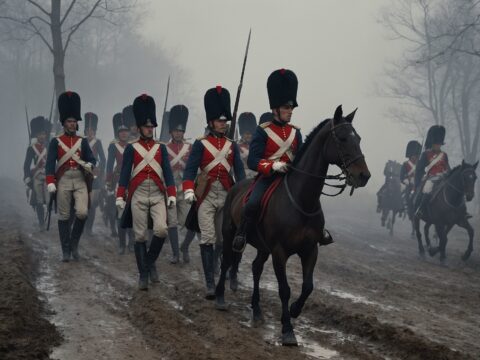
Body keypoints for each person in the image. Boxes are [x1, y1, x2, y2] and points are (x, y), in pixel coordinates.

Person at [183, 86, 245, 299]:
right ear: (211, 122)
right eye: (219, 121)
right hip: (206, 196)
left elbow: (240, 173)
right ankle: (210, 283)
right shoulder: (201, 144)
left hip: (226, 197)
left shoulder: (232, 146)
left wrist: (243, 195)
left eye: (225, 121)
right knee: (207, 238)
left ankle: (217, 270)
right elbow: (190, 170)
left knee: (222, 240)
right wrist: (189, 190)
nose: (223, 123)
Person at [232, 69, 303, 252]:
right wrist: (273, 166)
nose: (290, 111)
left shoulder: (296, 132)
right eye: (286, 108)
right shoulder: (263, 130)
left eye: (291, 107)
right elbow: (253, 161)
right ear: (275, 109)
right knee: (252, 203)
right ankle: (242, 233)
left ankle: (319, 230)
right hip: (268, 178)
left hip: (290, 179)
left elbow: (301, 158)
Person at [116, 94, 176, 290]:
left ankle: (148, 264)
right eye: (147, 126)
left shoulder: (161, 148)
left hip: (158, 194)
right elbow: (125, 173)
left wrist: (172, 193)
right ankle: (144, 275)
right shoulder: (131, 148)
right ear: (140, 127)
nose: (150, 129)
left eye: (152, 126)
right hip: (139, 194)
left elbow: (167, 171)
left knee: (161, 230)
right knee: (140, 236)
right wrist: (120, 195)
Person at [45, 91, 96, 262]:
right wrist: (50, 182)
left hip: (80, 179)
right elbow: (50, 163)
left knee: (82, 213)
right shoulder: (56, 141)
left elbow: (91, 159)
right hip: (64, 180)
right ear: (64, 123)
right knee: (64, 216)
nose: (72, 124)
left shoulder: (83, 141)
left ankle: (74, 243)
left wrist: (89, 165)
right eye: (69, 121)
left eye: (74, 121)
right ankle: (66, 250)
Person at [165, 104, 197, 264]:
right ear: (171, 132)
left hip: (184, 189)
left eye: (181, 131)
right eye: (176, 131)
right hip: (169, 189)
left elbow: (193, 168)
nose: (178, 133)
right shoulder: (164, 148)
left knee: (189, 223)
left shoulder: (189, 148)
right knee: (171, 222)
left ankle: (184, 247)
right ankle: (176, 253)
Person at [105, 112, 134, 254]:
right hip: (119, 182)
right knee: (121, 213)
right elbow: (109, 166)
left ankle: (132, 243)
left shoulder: (134, 145)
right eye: (121, 131)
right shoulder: (113, 146)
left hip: (133, 181)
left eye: (126, 131)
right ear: (118, 133)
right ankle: (122, 244)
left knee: (133, 211)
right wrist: (108, 184)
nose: (123, 134)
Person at [415, 125, 450, 216]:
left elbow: (447, 167)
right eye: (436, 144)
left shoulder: (444, 155)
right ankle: (421, 210)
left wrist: (447, 173)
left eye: (439, 144)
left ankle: (460, 211)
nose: (437, 146)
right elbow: (419, 169)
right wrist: (421, 179)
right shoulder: (426, 154)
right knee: (427, 188)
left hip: (443, 178)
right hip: (431, 177)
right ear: (432, 144)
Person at [23, 116, 50, 230]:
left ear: (46, 134)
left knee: (49, 200)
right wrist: (27, 177)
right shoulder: (31, 149)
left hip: (48, 176)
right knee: (39, 200)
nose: (41, 136)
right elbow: (26, 165)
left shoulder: (49, 147)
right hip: (37, 176)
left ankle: (47, 219)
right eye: (39, 134)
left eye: (43, 134)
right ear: (36, 135)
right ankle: (41, 223)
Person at [83, 112, 106, 236]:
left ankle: (89, 229)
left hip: (94, 177)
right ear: (85, 131)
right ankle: (81, 226)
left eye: (92, 130)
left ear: (95, 131)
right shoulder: (81, 142)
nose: (90, 132)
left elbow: (103, 159)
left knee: (92, 205)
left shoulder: (98, 143)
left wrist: (99, 170)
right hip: (82, 175)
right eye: (88, 130)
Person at [237, 112, 257, 179]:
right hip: (243, 180)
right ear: (242, 133)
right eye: (247, 134)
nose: (249, 136)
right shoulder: (236, 147)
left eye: (251, 133)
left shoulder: (258, 145)